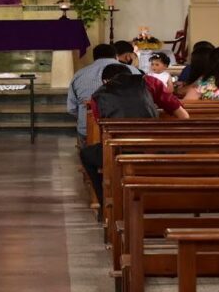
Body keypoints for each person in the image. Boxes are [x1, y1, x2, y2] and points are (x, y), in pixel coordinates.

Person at [80, 64, 188, 207]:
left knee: (86, 154)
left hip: (119, 151)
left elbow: (104, 131)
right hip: (153, 148)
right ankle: (179, 199)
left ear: (105, 81)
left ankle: (105, 205)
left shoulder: (98, 96)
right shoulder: (149, 82)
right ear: (131, 74)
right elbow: (183, 116)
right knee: (181, 152)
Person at [66, 44, 119, 141]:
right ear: (116, 56)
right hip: (125, 131)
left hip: (87, 131)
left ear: (94, 57)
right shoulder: (134, 71)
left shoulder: (79, 74)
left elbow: (71, 108)